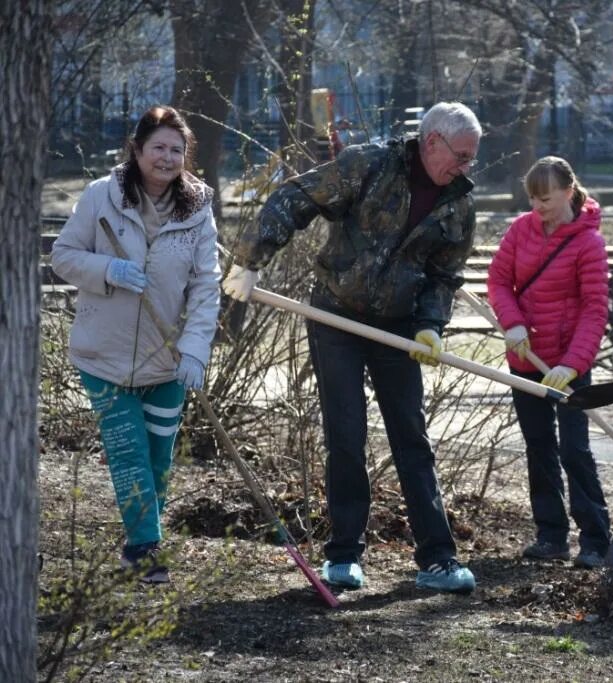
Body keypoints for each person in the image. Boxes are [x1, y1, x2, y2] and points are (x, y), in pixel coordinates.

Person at [222, 101, 480, 594]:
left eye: (471, 158)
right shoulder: (369, 165)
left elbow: (444, 276)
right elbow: (294, 197)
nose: (466, 168)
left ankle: (438, 559)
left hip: (398, 327)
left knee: (412, 439)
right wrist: (252, 258)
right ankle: (343, 556)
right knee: (345, 433)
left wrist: (430, 326)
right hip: (336, 316)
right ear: (431, 143)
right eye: (462, 156)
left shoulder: (459, 205)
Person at [52, 105, 221, 584]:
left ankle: (138, 542)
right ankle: (147, 549)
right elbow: (63, 256)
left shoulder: (197, 208)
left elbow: (207, 285)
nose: (167, 158)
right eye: (158, 147)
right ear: (138, 149)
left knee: (157, 457)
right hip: (102, 355)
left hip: (166, 357)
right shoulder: (101, 197)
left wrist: (194, 350)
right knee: (128, 452)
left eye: (177, 150)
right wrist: (107, 270)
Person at [487, 157, 611, 569]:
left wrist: (574, 365)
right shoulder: (521, 229)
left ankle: (595, 539)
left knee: (575, 448)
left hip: (569, 365)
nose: (537, 207)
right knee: (539, 447)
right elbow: (499, 281)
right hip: (526, 357)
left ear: (568, 192)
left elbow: (595, 309)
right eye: (533, 199)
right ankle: (550, 536)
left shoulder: (588, 242)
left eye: (546, 199)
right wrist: (513, 324)